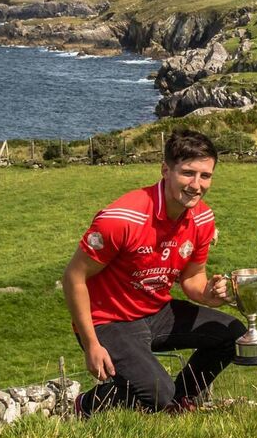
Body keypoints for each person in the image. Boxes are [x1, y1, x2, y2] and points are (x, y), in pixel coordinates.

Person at [62, 130, 246, 414]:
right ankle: (86, 405)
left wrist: (213, 293)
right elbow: (73, 277)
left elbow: (193, 280)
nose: (197, 185)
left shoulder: (203, 218)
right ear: (165, 170)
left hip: (156, 312)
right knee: (157, 393)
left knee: (233, 333)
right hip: (107, 320)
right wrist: (91, 344)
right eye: (188, 173)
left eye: (205, 176)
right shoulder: (122, 218)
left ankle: (178, 401)